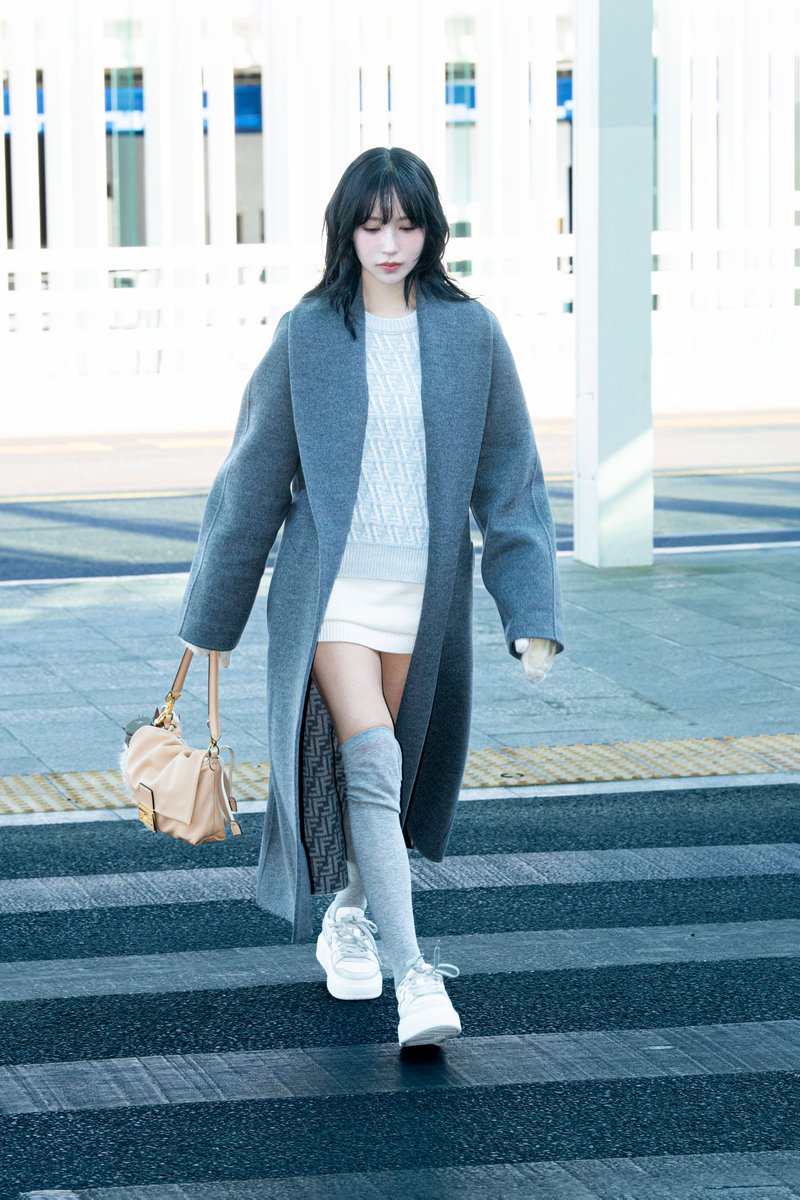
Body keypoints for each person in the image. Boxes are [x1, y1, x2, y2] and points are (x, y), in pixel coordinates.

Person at [177, 146, 564, 1048]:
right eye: (372, 222)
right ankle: (417, 979)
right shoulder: (308, 333)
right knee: (375, 763)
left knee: (375, 789)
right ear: (346, 229)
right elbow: (251, 482)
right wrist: (212, 620)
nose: (389, 242)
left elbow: (511, 482)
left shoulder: (473, 336)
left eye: (407, 223)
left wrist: (530, 613)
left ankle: (349, 912)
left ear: (431, 229)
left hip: (422, 601)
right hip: (333, 597)